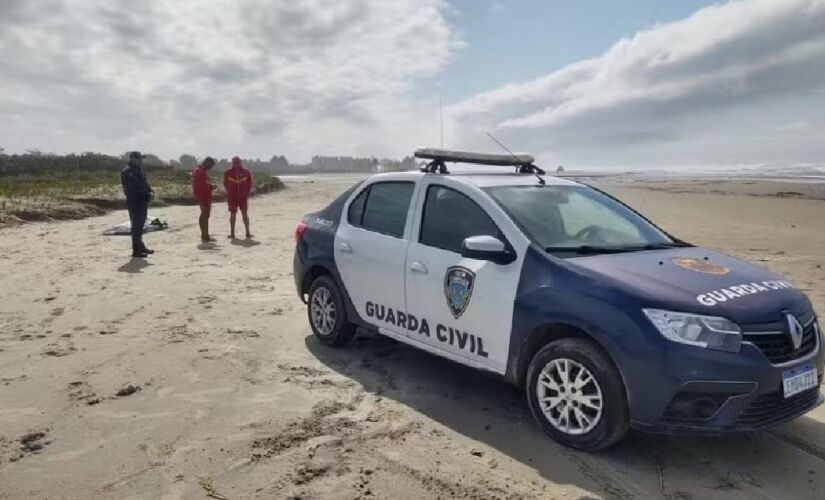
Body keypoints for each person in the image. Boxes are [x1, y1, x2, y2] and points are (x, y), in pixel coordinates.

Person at [120, 151, 154, 258]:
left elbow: (144, 183)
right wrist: (144, 194)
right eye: (139, 159)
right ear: (133, 159)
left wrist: (150, 191)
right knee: (136, 226)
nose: (141, 161)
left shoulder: (138, 170)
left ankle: (140, 246)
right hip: (135, 202)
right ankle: (136, 250)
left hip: (142, 201)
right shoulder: (127, 171)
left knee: (140, 225)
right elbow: (132, 189)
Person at [223, 156, 254, 239]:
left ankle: (248, 232)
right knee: (233, 214)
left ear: (240, 163)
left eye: (238, 162)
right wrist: (230, 192)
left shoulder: (246, 172)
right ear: (232, 163)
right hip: (232, 197)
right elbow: (225, 184)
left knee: (245, 214)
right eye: (234, 163)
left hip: (243, 197)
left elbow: (249, 183)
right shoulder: (228, 172)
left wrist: (246, 193)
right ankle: (232, 233)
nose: (236, 164)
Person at [192, 157, 217, 242]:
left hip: (205, 194)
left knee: (205, 214)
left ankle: (205, 234)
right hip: (202, 195)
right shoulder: (199, 171)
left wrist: (210, 186)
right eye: (211, 165)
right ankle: (204, 235)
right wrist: (211, 186)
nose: (211, 167)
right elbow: (201, 184)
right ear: (207, 162)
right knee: (204, 214)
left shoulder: (202, 170)